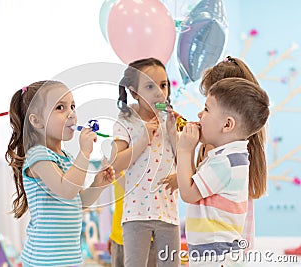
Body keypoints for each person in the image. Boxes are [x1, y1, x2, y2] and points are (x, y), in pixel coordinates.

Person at [5, 80, 115, 267]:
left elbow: (79, 200)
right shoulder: (38, 156)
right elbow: (66, 190)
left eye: (72, 106)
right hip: (43, 259)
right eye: (60, 107)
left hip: (67, 258)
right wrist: (84, 153)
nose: (71, 113)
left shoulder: (66, 157)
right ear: (36, 121)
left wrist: (98, 183)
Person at [176, 77, 270, 266]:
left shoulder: (225, 162)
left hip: (217, 257)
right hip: (215, 255)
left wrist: (185, 150)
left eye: (207, 109)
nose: (199, 114)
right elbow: (196, 186)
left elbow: (188, 193)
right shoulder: (229, 157)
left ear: (227, 125)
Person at [110, 58, 180, 267]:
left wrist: (174, 133)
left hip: (168, 213)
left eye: (163, 85)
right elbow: (116, 164)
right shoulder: (125, 121)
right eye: (150, 86)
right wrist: (142, 141)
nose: (159, 92)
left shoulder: (172, 121)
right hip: (136, 214)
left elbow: (183, 161)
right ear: (134, 92)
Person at [197, 56, 267, 250]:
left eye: (209, 105)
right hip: (234, 239)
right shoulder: (244, 145)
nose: (202, 113)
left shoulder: (221, 150)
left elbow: (192, 188)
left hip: (219, 244)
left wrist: (184, 148)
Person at [107, 179, 157, 267]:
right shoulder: (118, 169)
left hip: (146, 239)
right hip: (118, 239)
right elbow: (119, 204)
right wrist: (113, 234)